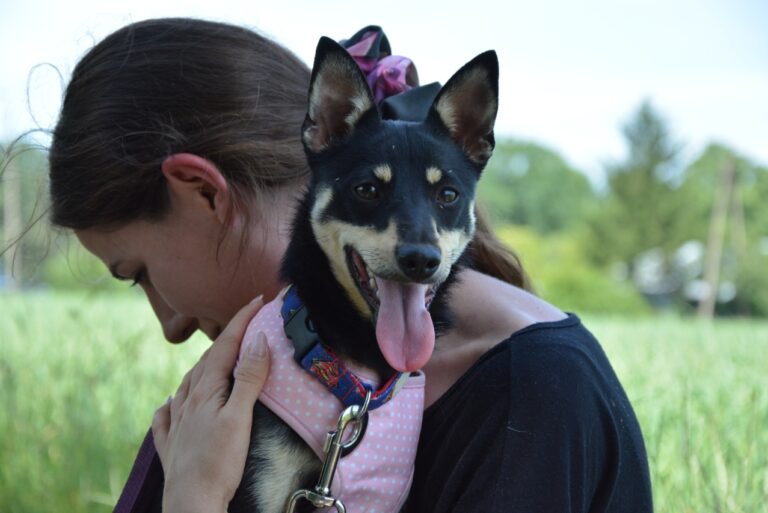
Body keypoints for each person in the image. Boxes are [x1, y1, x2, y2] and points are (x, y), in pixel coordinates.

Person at [49, 18, 653, 513]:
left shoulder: (539, 402)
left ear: (204, 193)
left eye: (140, 273)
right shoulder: (237, 398)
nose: (170, 325)